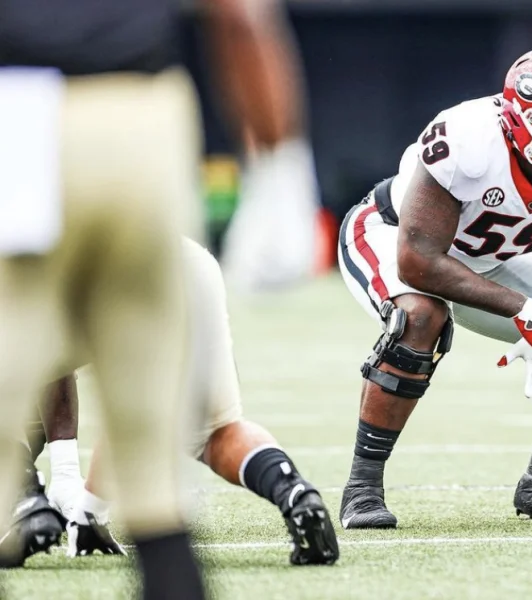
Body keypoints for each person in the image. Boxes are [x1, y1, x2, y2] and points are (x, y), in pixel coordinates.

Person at [0, 2, 313, 597]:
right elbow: (242, 17)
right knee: (151, 463)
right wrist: (282, 169)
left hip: (17, 117)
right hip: (145, 121)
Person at [337, 47, 532, 529]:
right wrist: (524, 311)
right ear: (518, 122)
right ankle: (362, 488)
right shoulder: (468, 139)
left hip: (492, 257)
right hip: (392, 235)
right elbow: (418, 262)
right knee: (419, 319)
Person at [21, 239, 339, 565]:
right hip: (188, 262)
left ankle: (20, 497)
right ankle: (292, 491)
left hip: (112, 270)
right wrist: (90, 509)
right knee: (216, 432)